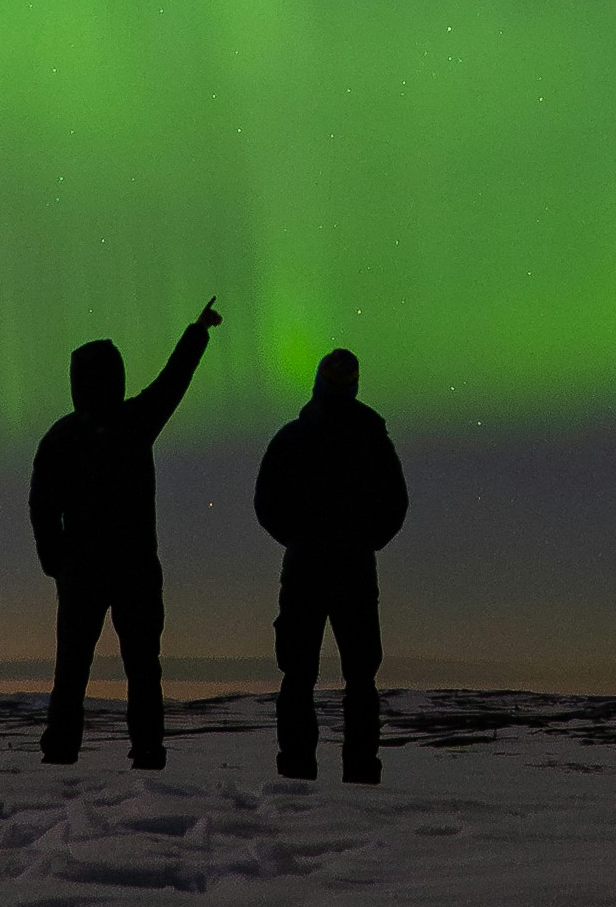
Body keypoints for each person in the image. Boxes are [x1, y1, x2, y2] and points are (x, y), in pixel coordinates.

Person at [28, 296, 218, 767]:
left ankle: (62, 752)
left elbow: (41, 507)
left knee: (74, 668)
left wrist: (57, 561)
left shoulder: (62, 436)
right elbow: (173, 382)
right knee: (139, 668)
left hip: (88, 571)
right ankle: (147, 753)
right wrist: (196, 333)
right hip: (130, 567)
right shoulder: (133, 422)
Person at [252, 347, 407, 782]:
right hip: (350, 570)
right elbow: (395, 505)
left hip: (308, 569)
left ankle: (300, 771)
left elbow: (267, 505)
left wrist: (300, 540)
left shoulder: (293, 438)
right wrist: (362, 543)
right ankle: (357, 772)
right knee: (355, 678)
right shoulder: (371, 440)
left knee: (303, 676)